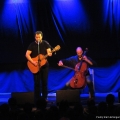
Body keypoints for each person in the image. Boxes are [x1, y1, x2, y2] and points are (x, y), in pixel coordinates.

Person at [25, 31, 52, 102]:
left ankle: (45, 98)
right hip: (35, 66)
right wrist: (32, 62)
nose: (37, 38)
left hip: (44, 66)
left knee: (44, 82)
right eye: (36, 37)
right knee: (37, 83)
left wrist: (50, 53)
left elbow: (49, 51)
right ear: (35, 37)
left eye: (39, 37)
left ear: (41, 37)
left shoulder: (45, 43)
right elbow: (27, 54)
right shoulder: (32, 45)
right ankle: (37, 98)